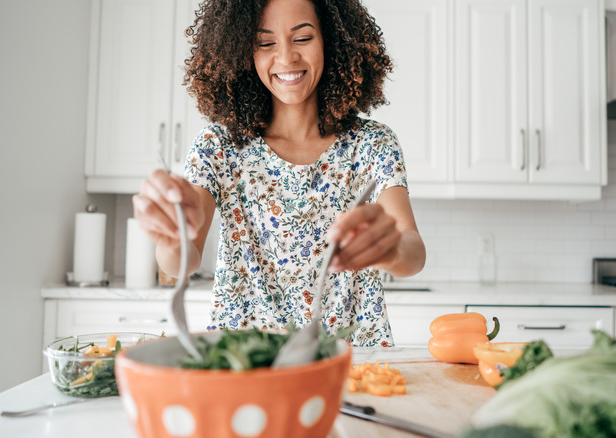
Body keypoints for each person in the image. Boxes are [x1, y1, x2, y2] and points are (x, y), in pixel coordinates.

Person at [132, 0, 426, 346]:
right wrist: (172, 238)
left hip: (352, 363)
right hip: (248, 363)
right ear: (243, 53)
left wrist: (390, 250)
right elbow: (181, 260)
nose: (286, 58)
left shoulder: (372, 143)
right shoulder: (219, 146)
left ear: (331, 40)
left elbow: (413, 251)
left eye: (302, 38)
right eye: (266, 43)